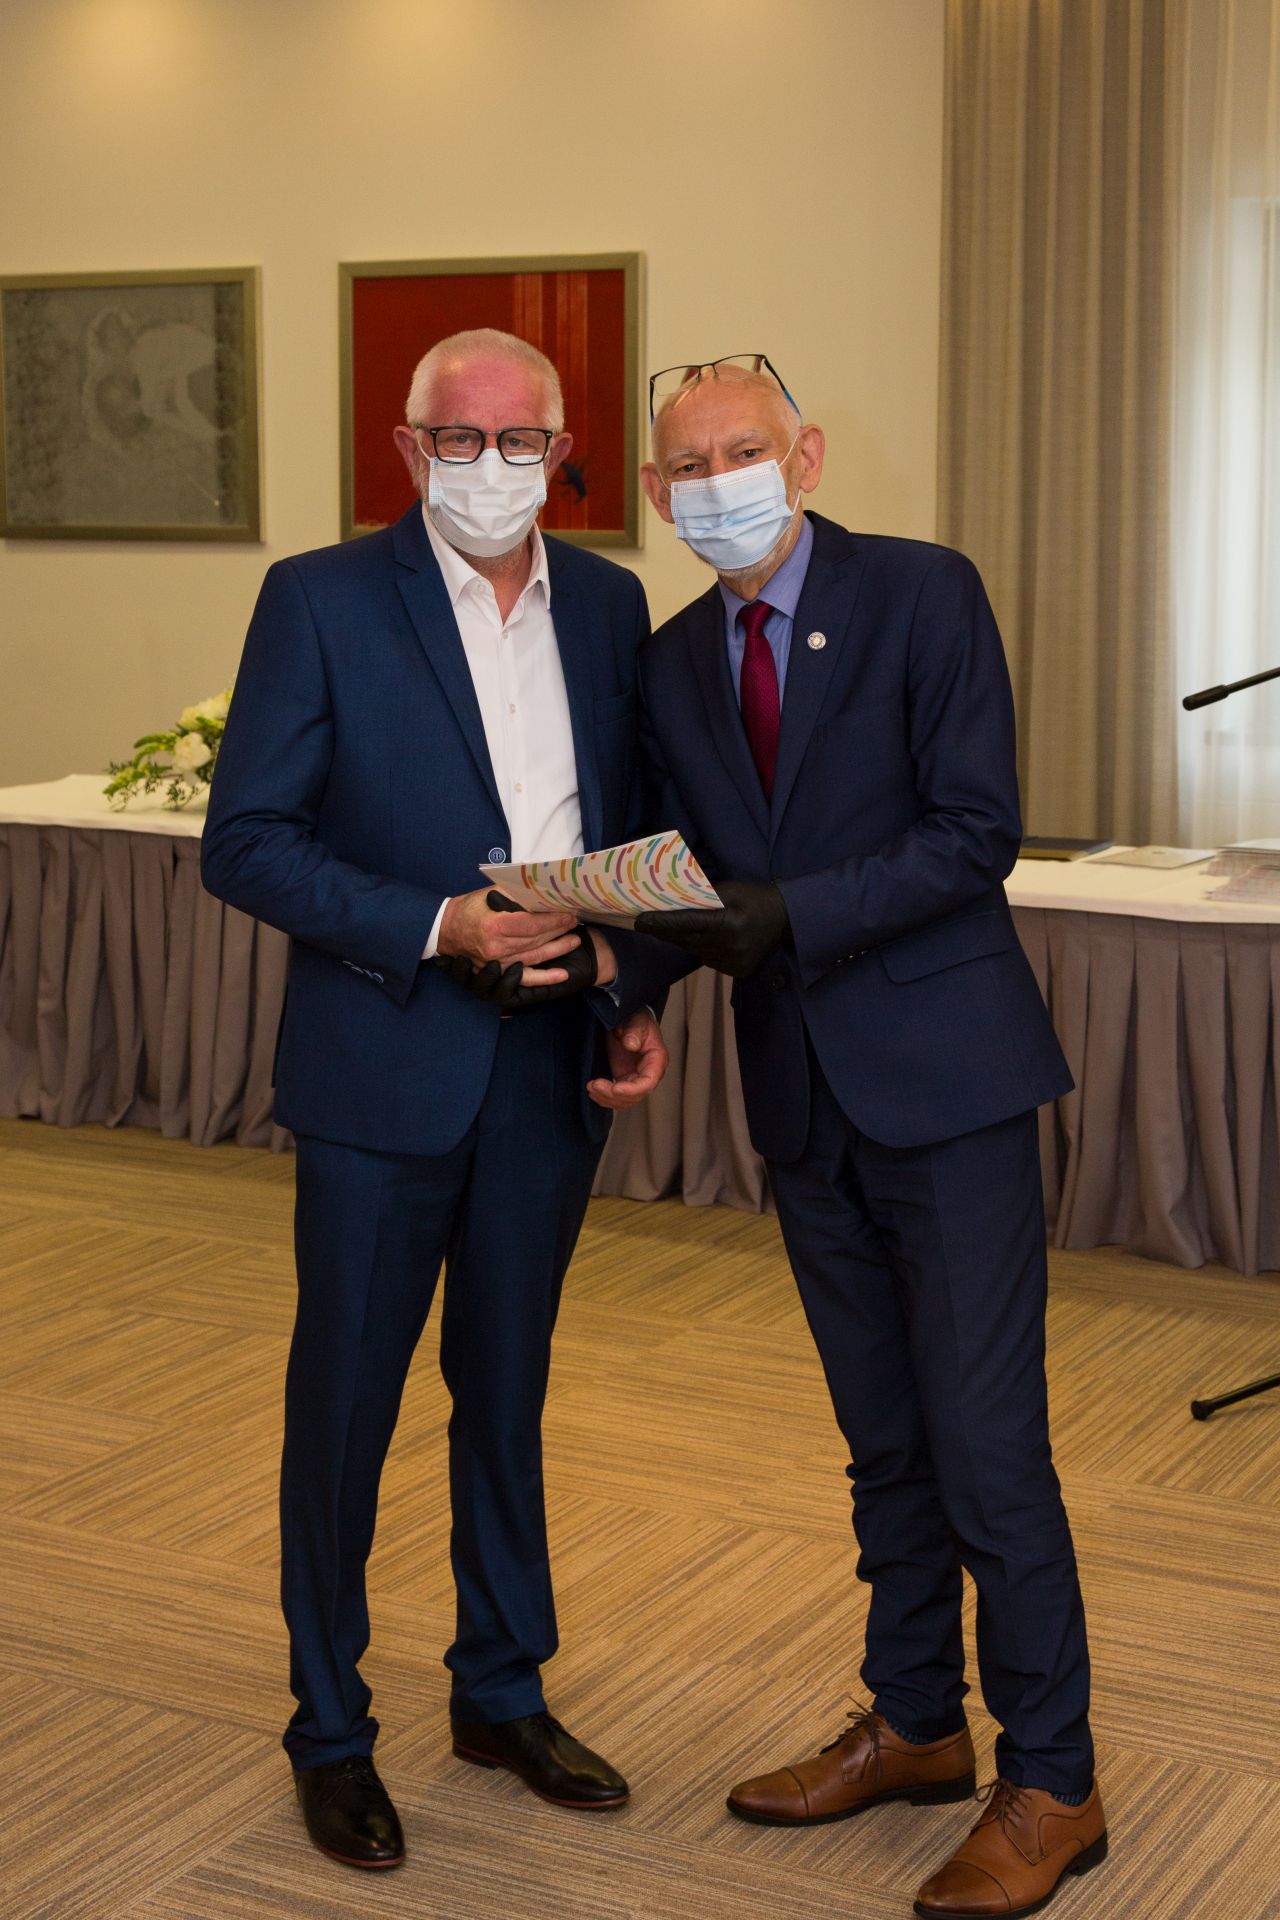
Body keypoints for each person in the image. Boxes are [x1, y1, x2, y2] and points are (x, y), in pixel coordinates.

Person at [612, 355, 1106, 1920]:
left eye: (743, 450)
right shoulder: (672, 659)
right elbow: (675, 868)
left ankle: (1055, 1778)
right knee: (883, 1440)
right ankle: (915, 1723)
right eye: (688, 466)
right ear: (654, 493)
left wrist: (790, 915)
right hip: (803, 1099)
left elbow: (974, 833)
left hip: (946, 1088)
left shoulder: (922, 594)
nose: (718, 483)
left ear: (806, 453)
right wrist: (622, 987)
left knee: (987, 1448)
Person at [201, 328, 667, 1871]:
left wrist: (633, 990)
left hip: (546, 1067)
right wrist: (437, 922)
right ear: (409, 452)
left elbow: (633, 831)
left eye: (519, 439)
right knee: (346, 1407)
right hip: (382, 1064)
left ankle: (500, 1689)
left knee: (507, 1391)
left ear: (561, 451)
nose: (489, 465)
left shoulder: (610, 605)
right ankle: (331, 1730)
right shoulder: (321, 600)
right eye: (457, 439)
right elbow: (246, 841)